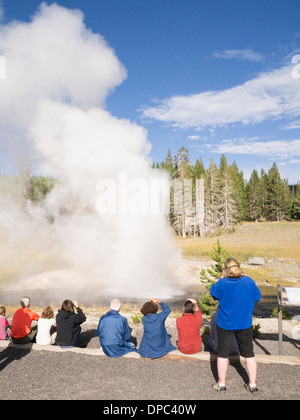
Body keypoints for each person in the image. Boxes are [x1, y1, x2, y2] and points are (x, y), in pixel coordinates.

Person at [210, 258, 261, 393]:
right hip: (244, 324)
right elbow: (257, 297)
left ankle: (221, 384)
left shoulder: (221, 283)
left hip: (225, 325)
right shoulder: (249, 281)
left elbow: (213, 293)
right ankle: (253, 385)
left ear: (225, 270)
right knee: (249, 355)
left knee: (222, 355)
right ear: (239, 267)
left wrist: (221, 278)